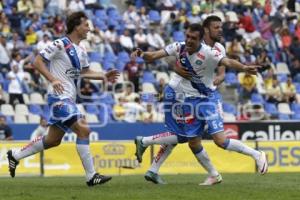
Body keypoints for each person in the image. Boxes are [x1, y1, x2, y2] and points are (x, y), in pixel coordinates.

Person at [132, 22, 268, 184]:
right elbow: (154, 57)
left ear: (201, 38)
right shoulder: (179, 47)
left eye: (193, 38)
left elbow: (228, 63)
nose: (189, 40)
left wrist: (245, 68)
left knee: (212, 140)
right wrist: (141, 54)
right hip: (187, 101)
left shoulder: (210, 52)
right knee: (189, 140)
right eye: (187, 36)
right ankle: (212, 175)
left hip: (205, 100)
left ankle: (256, 155)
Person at [7, 11, 119, 187]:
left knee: (53, 140)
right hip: (59, 97)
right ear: (76, 26)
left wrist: (104, 75)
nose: (89, 28)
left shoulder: (81, 51)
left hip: (69, 99)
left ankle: (15, 154)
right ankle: (91, 176)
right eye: (86, 25)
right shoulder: (60, 44)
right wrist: (53, 79)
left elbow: (85, 72)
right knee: (84, 130)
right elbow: (37, 62)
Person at [140, 16, 228, 186]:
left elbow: (222, 74)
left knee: (177, 135)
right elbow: (169, 60)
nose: (220, 30)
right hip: (177, 93)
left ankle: (153, 170)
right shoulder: (186, 45)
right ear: (205, 30)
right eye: (216, 27)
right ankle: (144, 141)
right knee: (180, 136)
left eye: (220, 27)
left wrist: (213, 82)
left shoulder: (218, 48)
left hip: (193, 96)